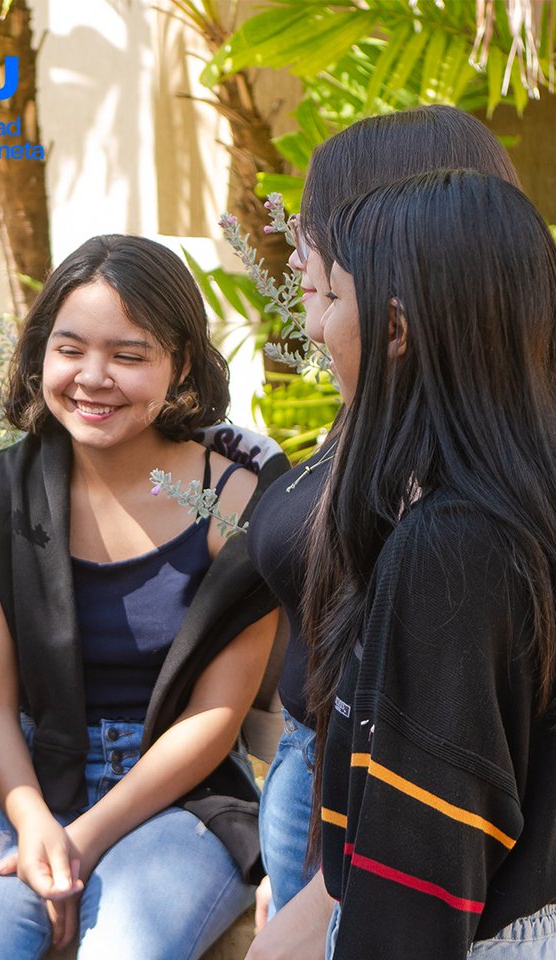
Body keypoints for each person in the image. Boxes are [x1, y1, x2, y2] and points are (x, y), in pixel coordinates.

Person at [0, 235, 282, 960]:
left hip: (188, 794)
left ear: (179, 362)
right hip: (30, 778)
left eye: (128, 354)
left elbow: (217, 715)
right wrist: (34, 823)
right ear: (39, 354)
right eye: (70, 348)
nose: (93, 377)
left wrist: (81, 842)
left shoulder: (236, 500)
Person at [245, 104, 521, 926]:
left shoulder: (458, 520)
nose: (296, 255)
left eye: (315, 239)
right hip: (322, 783)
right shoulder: (376, 411)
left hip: (389, 809)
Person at [294, 169, 556, 957]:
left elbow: (420, 871)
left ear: (398, 330)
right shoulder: (516, 505)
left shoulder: (452, 546)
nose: (317, 327)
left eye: (333, 295)